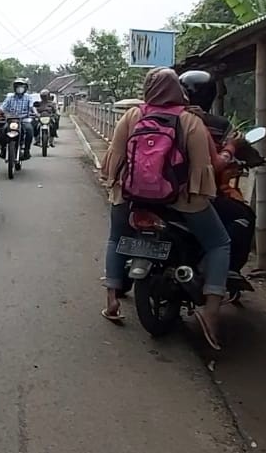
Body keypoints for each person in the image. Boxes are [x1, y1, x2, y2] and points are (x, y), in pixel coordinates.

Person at [99, 67, 231, 349]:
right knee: (219, 243)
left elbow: (115, 157)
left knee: (115, 239)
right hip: (180, 200)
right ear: (177, 90)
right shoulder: (190, 121)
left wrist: (115, 185)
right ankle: (211, 311)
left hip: (131, 196)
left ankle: (112, 302)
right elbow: (203, 169)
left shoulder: (133, 115)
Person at [179, 69, 254, 278]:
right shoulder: (216, 125)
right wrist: (231, 146)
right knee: (243, 217)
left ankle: (117, 282)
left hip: (152, 190)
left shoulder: (156, 116)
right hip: (198, 193)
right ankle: (224, 271)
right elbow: (215, 164)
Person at [0, 77, 39, 160]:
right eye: (18, 86)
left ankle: (27, 150)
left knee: (29, 130)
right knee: (2, 131)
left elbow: (32, 107)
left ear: (25, 88)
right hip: (11, 120)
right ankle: (3, 149)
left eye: (22, 86)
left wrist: (36, 113)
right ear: (14, 88)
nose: (20, 88)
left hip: (23, 120)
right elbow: (2, 107)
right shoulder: (10, 97)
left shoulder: (28, 97)